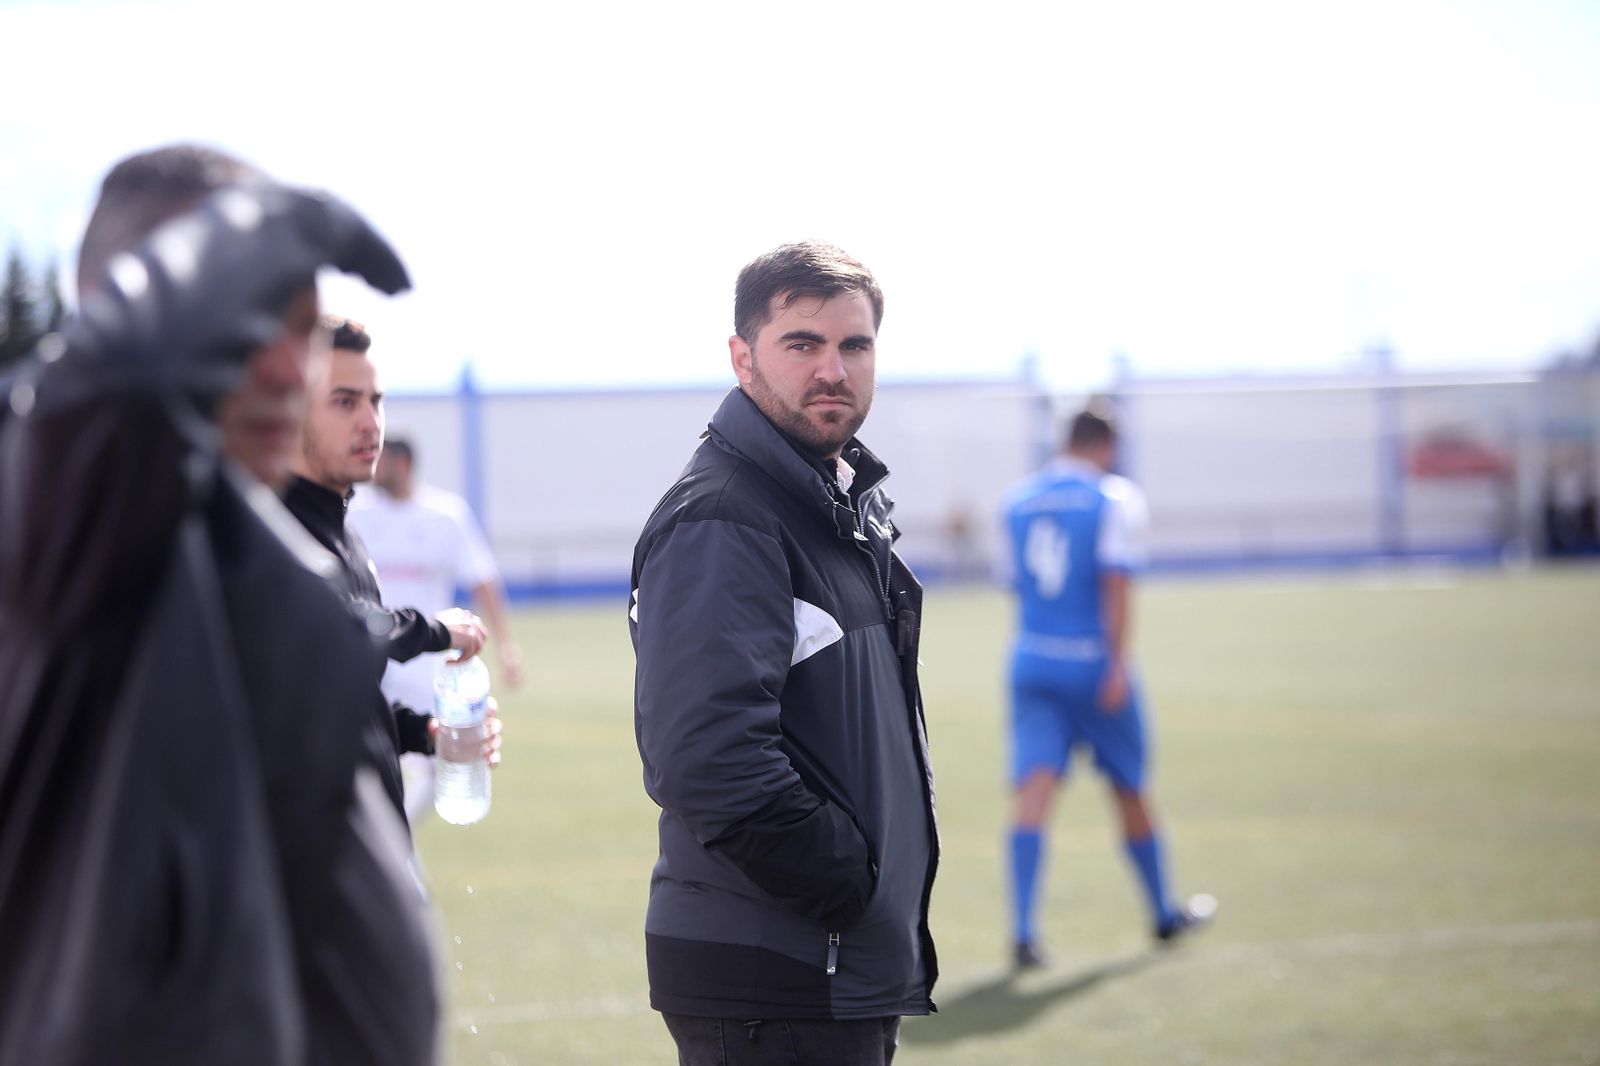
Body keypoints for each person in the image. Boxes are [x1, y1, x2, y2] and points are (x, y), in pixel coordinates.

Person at [0, 145, 437, 1064]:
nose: (292, 369)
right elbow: (121, 385)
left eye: (305, 328)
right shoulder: (57, 515)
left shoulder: (258, 552)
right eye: (249, 320)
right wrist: (289, 221)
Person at [629, 241, 939, 1065]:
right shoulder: (725, 517)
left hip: (831, 964)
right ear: (743, 357)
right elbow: (706, 758)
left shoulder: (830, 508)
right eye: (802, 343)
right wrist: (848, 877)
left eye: (854, 345)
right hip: (779, 972)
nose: (832, 368)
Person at [1001, 406, 1215, 969]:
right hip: (1092, 663)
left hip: (1030, 657)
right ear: (1104, 446)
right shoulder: (1113, 498)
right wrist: (1118, 663)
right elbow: (1115, 582)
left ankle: (1023, 932)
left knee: (1033, 789)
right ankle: (1164, 913)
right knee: (1129, 785)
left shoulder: (1017, 500)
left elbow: (1018, 585)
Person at [282, 318, 501, 817]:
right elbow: (343, 628)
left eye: (375, 400)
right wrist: (436, 631)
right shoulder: (275, 526)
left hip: (357, 847)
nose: (370, 421)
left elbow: (347, 702)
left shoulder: (347, 532)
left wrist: (426, 733)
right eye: (345, 401)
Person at [349, 435, 525, 825]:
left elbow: (483, 580)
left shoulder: (445, 515)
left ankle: (398, 840)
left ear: (404, 464)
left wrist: (507, 648)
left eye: (384, 460)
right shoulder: (356, 513)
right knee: (371, 761)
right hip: (373, 660)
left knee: (441, 758)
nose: (374, 467)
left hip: (426, 664)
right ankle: (395, 852)